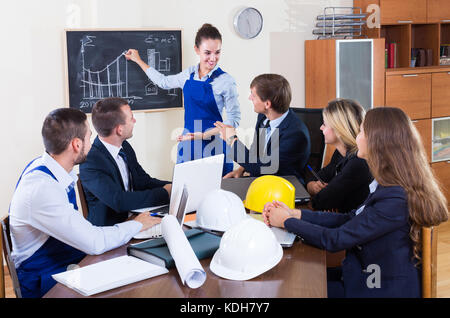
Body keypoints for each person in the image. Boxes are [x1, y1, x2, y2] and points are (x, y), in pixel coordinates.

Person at [263, 107, 448, 298]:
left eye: (360, 131)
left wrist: (286, 222)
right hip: (364, 275)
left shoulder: (395, 199)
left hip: (378, 288)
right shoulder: (386, 186)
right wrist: (296, 214)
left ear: (377, 142)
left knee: (290, 288)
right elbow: (349, 219)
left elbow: (336, 239)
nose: (356, 136)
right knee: (293, 276)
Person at [8, 108, 161, 298]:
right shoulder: (42, 189)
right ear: (76, 144)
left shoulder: (49, 166)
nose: (92, 143)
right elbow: (94, 242)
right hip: (47, 282)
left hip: (65, 263)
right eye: (89, 137)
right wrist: (137, 224)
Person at [125, 23, 240, 175]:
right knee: (187, 191)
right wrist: (138, 60)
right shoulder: (188, 75)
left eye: (217, 52)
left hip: (215, 144)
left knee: (216, 192)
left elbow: (234, 120)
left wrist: (206, 135)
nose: (213, 58)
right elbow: (163, 82)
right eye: (207, 53)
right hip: (188, 142)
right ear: (196, 50)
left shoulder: (226, 81)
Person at [79, 97, 171, 226]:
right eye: (131, 118)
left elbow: (144, 181)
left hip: (136, 219)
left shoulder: (124, 146)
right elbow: (119, 200)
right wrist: (165, 193)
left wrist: (176, 186)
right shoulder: (90, 161)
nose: (134, 121)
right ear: (119, 129)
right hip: (110, 231)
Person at [214, 73, 310, 184]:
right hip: (261, 180)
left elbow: (265, 168)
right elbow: (256, 153)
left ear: (267, 104)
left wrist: (232, 139)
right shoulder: (263, 118)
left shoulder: (295, 134)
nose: (250, 98)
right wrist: (241, 170)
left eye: (253, 95)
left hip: (281, 188)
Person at [306, 99, 372, 213]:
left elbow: (319, 202)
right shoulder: (340, 153)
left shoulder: (358, 162)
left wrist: (321, 195)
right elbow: (317, 176)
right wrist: (312, 186)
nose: (321, 128)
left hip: (353, 224)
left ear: (339, 129)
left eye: (325, 124)